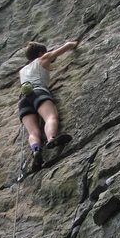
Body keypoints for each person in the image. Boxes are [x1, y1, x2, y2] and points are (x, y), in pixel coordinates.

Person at [18, 39, 78, 173]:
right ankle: (51, 139)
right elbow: (66, 47)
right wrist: (74, 44)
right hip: (38, 92)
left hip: (23, 99)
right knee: (51, 117)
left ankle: (36, 150)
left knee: (33, 132)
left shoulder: (22, 71)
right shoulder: (42, 59)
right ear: (41, 53)